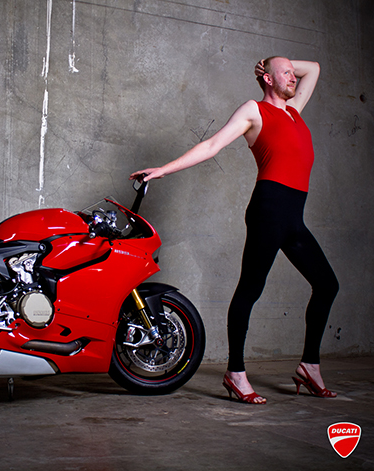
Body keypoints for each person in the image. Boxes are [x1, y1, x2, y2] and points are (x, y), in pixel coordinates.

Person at [130, 57, 339, 404]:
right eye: (286, 73)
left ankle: (310, 366)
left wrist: (277, 63)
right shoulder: (255, 111)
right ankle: (236, 372)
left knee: (327, 285)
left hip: (293, 217)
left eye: (292, 73)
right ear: (268, 80)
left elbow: (315, 68)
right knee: (250, 289)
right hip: (268, 211)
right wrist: (164, 170)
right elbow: (212, 145)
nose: (293, 77)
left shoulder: (294, 111)